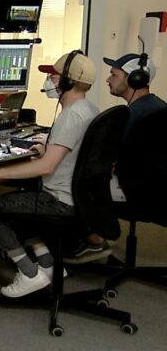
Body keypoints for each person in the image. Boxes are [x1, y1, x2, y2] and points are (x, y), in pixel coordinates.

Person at [0, 51, 97, 297]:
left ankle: (29, 273)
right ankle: (49, 265)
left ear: (67, 82)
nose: (49, 81)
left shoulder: (70, 116)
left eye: (53, 76)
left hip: (60, 201)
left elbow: (46, 167)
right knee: (23, 195)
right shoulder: (88, 109)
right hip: (80, 197)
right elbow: (70, 154)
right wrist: (48, 148)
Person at [64, 53, 166, 263]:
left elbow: (108, 161)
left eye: (114, 74)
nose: (108, 79)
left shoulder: (132, 115)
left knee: (74, 184)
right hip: (157, 190)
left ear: (133, 78)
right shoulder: (157, 106)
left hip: (139, 192)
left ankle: (93, 240)